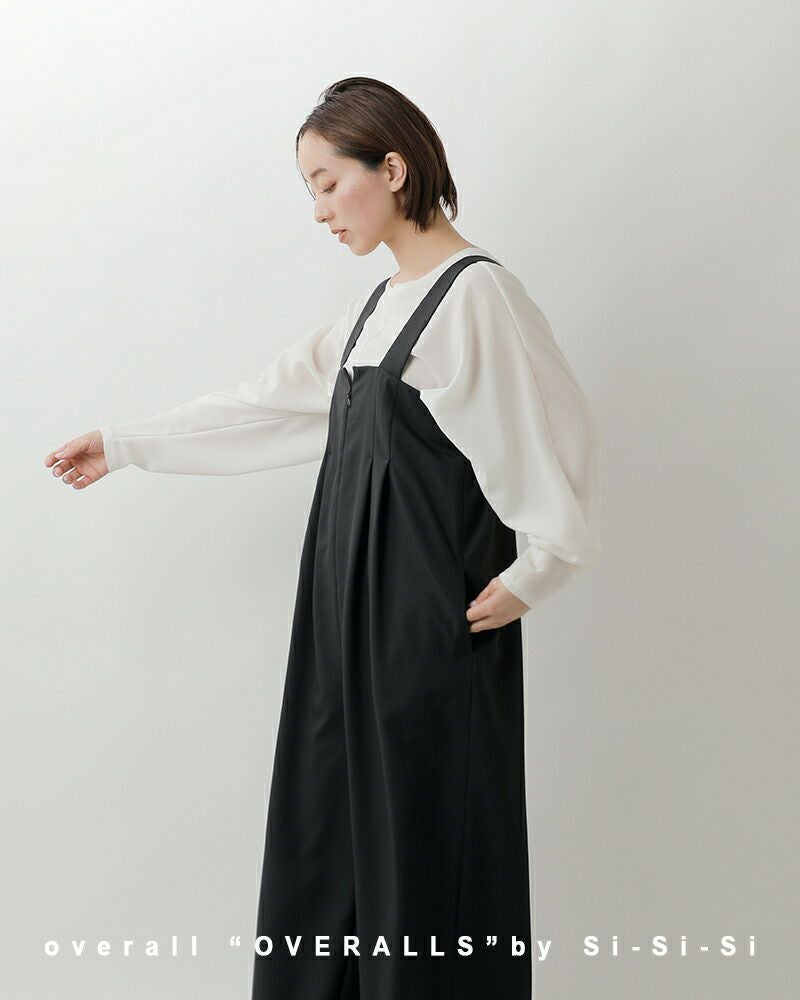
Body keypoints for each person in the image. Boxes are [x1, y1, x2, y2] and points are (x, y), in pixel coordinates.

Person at [44, 77, 601, 999]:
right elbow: (265, 405)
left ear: (395, 168)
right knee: (326, 850)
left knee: (426, 862)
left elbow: (556, 433)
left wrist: (538, 571)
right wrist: (126, 443)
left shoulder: (478, 298)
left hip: (426, 630)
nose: (319, 211)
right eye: (311, 190)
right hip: (340, 628)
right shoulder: (377, 310)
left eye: (328, 183)